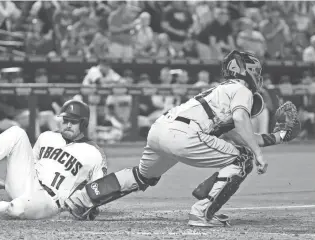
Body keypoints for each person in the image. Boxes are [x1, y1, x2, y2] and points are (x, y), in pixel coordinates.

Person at [63, 50, 299, 227]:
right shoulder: (242, 90)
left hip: (161, 130)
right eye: (256, 71)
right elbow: (241, 121)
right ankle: (202, 212)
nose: (258, 76)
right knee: (243, 159)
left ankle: (82, 200)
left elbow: (240, 136)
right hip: (184, 135)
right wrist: (257, 154)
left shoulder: (222, 92)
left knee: (141, 176)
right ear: (246, 71)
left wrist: (278, 136)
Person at [0, 99, 107, 220]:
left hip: (49, 202)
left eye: (73, 122)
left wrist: (91, 206)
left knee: (15, 209)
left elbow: (99, 190)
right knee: (17, 132)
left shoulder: (94, 154)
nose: (67, 124)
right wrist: (8, 182)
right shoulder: (47, 137)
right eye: (65, 120)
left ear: (83, 124)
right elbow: (30, 165)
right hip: (28, 185)